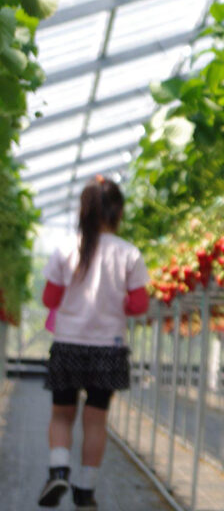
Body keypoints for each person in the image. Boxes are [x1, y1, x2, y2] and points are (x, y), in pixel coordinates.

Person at [38, 176, 150, 510]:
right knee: (96, 419)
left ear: (83, 210)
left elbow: (49, 297)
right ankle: (85, 490)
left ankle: (59, 469)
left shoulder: (65, 248)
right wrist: (121, 304)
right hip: (109, 346)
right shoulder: (129, 253)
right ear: (118, 212)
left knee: (61, 413)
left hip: (69, 343)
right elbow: (139, 304)